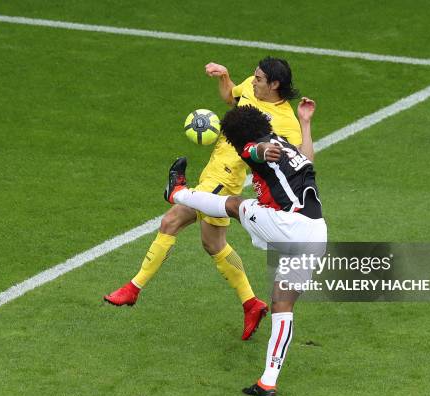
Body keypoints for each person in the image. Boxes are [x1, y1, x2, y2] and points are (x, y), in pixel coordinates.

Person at [104, 57, 306, 341]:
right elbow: (230, 98)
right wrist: (224, 77)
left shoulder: (287, 122)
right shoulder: (251, 86)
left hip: (224, 181)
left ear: (275, 85)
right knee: (213, 244)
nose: (253, 80)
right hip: (211, 173)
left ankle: (133, 289)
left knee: (171, 220)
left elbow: (293, 159)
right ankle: (251, 304)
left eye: (260, 79)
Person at [164, 101, 326, 396]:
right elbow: (308, 159)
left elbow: (255, 152)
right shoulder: (285, 144)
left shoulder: (253, 147)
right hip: (316, 234)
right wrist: (305, 123)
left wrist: (259, 152)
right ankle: (267, 382)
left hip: (288, 225)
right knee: (282, 305)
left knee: (234, 204)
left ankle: (176, 193)